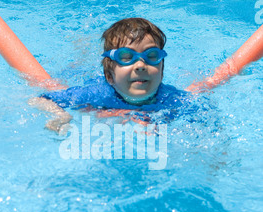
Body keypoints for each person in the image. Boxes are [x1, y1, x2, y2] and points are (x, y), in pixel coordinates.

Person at [28, 18, 203, 133]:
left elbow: (204, 113)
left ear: (162, 71)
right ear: (109, 77)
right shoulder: (98, 94)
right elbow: (40, 99)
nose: (141, 65)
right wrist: (61, 116)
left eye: (151, 56)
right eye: (126, 57)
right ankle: (80, 44)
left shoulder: (172, 99)